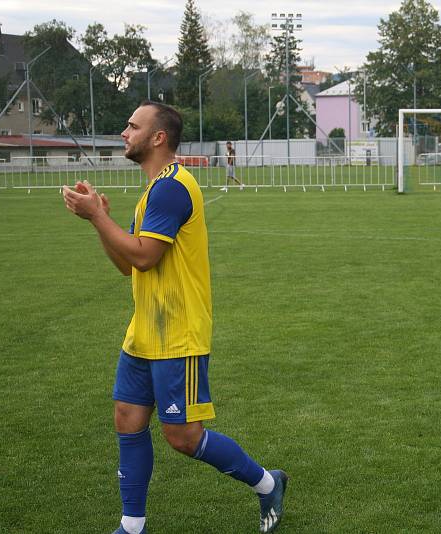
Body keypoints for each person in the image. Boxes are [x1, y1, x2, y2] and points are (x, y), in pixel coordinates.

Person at [61, 101, 287, 533]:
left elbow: (144, 258)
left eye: (132, 126)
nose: (124, 133)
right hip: (145, 330)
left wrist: (97, 217)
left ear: (158, 137)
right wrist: (101, 221)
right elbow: (128, 264)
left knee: (183, 437)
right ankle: (132, 526)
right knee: (127, 417)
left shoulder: (171, 187)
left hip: (177, 333)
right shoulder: (154, 189)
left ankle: (266, 484)